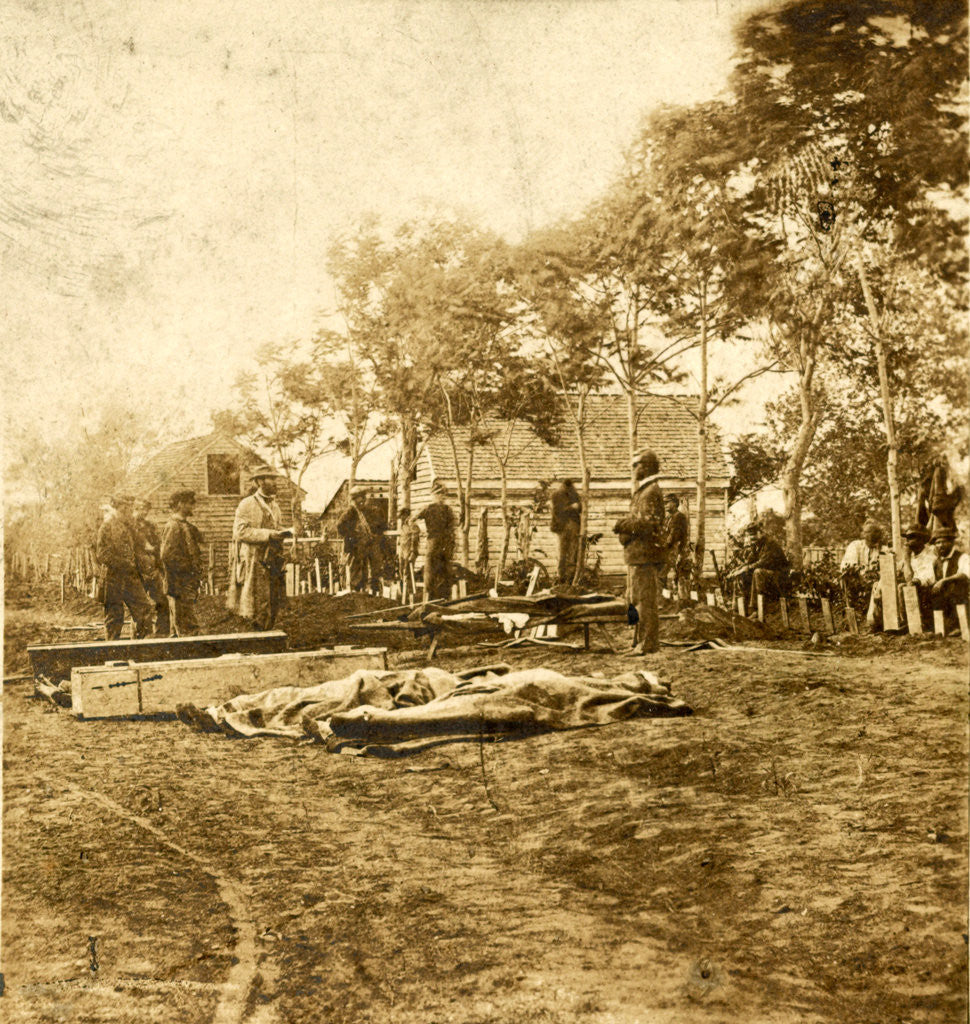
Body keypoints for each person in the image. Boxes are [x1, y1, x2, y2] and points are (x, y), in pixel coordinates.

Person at [226, 465, 292, 630]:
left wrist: (284, 534)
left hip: (273, 559)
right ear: (260, 481)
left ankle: (269, 631)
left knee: (274, 599)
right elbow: (240, 532)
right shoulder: (246, 504)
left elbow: (277, 527)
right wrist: (268, 534)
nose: (275, 482)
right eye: (271, 479)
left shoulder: (275, 506)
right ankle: (256, 634)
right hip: (254, 559)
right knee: (257, 600)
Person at [613, 449, 665, 655]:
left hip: (645, 556)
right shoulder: (643, 491)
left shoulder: (651, 491)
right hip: (637, 556)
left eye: (637, 464)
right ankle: (637, 642)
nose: (633, 469)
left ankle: (647, 644)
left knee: (645, 601)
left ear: (648, 467)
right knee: (635, 601)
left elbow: (649, 524)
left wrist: (623, 525)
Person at [95, 494, 154, 640]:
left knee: (144, 609)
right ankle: (113, 650)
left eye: (129, 508)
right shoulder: (106, 527)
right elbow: (102, 554)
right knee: (114, 616)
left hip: (130, 576)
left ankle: (140, 647)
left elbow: (138, 548)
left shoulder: (129, 527)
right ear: (117, 508)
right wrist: (124, 563)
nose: (129, 511)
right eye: (125, 508)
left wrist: (144, 562)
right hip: (113, 577)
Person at [161, 489, 206, 637]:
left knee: (181, 621)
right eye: (190, 503)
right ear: (180, 504)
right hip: (179, 581)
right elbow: (166, 555)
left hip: (186, 581)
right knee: (185, 622)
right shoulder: (173, 526)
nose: (193, 506)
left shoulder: (185, 526)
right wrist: (187, 568)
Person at [728, 521, 790, 611]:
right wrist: (738, 569)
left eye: (754, 534)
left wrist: (746, 568)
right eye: (750, 535)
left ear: (760, 532)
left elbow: (762, 562)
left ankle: (755, 609)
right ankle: (738, 607)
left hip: (780, 575)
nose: (752, 538)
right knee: (741, 574)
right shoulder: (756, 544)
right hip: (767, 573)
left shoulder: (770, 544)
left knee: (757, 572)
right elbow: (750, 561)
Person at [132, 497, 171, 636]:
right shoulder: (130, 527)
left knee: (162, 602)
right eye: (140, 508)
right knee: (141, 607)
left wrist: (160, 567)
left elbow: (157, 546)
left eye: (146, 509)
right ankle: (140, 637)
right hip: (137, 572)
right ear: (134, 509)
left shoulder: (151, 526)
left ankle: (161, 635)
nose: (143, 511)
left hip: (152, 569)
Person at [416, 481, 456, 601]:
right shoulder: (428, 508)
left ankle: (446, 598)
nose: (441, 497)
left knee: (446, 569)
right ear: (433, 495)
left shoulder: (448, 510)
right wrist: (422, 528)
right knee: (430, 569)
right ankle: (428, 598)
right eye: (439, 494)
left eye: (443, 495)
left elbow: (452, 526)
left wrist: (451, 543)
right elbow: (413, 519)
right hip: (433, 541)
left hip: (446, 542)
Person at [929, 526, 969, 632]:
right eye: (937, 543)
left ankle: (958, 626)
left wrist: (944, 580)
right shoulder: (936, 562)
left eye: (944, 542)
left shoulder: (962, 557)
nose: (940, 545)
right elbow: (931, 578)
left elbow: (965, 574)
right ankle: (938, 628)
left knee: (957, 587)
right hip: (942, 596)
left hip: (959, 594)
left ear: (951, 543)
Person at [336, 486, 376, 591]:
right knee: (355, 570)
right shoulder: (351, 511)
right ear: (355, 498)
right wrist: (352, 536)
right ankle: (354, 591)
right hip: (354, 547)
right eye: (361, 497)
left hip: (362, 547)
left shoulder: (360, 511)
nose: (363, 499)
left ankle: (360, 591)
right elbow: (340, 526)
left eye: (364, 497)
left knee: (362, 569)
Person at [549, 478, 582, 585]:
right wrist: (571, 507)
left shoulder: (574, 494)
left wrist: (577, 506)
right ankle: (561, 577)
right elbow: (557, 511)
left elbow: (581, 508)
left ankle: (570, 577)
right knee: (562, 552)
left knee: (573, 552)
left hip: (573, 525)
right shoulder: (556, 496)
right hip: (562, 527)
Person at [662, 494, 691, 605]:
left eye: (668, 502)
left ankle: (681, 601)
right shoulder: (668, 518)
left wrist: (664, 545)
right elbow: (664, 533)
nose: (665, 505)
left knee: (673, 575)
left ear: (675, 503)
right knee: (662, 575)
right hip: (669, 549)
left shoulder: (679, 517)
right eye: (664, 503)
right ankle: (666, 599)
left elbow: (674, 535)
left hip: (677, 550)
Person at [397, 507, 421, 588]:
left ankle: (409, 592)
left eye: (402, 516)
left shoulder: (412, 524)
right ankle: (402, 591)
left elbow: (415, 539)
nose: (401, 518)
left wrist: (413, 552)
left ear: (406, 515)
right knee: (401, 571)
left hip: (409, 552)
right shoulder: (403, 525)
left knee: (407, 572)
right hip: (403, 552)